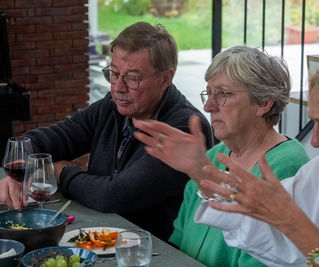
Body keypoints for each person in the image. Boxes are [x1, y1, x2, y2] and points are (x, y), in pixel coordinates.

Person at [0, 22, 213, 241]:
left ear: (165, 78)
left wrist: (60, 172)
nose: (118, 87)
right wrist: (18, 173)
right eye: (114, 73)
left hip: (154, 252)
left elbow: (116, 195)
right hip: (102, 237)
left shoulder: (184, 127)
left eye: (132, 78)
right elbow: (46, 140)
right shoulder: (111, 106)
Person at [194, 50, 319, 266]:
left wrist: (293, 224)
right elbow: (273, 235)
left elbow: (297, 232)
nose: (315, 141)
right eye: (314, 124)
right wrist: (200, 171)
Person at [134, 45, 310, 267]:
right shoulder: (214, 155)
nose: (208, 106)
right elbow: (177, 242)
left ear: (263, 103)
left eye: (223, 94)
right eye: (209, 93)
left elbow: (267, 258)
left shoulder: (287, 166)